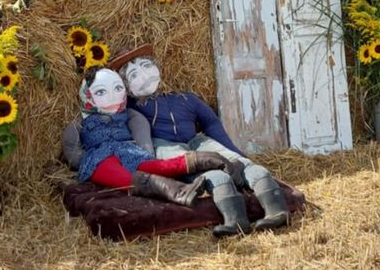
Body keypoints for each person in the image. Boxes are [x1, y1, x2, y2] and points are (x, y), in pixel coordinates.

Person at [109, 45, 291, 237]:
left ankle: (277, 211)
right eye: (134, 75)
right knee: (210, 174)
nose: (145, 76)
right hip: (164, 145)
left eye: (147, 66)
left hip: (198, 140)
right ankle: (236, 221)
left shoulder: (185, 98)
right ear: (126, 87)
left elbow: (211, 122)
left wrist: (235, 152)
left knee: (243, 164)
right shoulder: (132, 107)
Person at [62, 65, 246, 208]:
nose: (111, 96)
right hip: (99, 156)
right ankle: (180, 191)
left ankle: (209, 159)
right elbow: (72, 146)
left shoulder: (131, 115)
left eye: (117, 88)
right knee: (119, 176)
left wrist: (145, 150)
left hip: (128, 149)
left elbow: (141, 131)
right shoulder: (81, 122)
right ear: (87, 96)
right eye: (101, 92)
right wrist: (81, 160)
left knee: (155, 166)